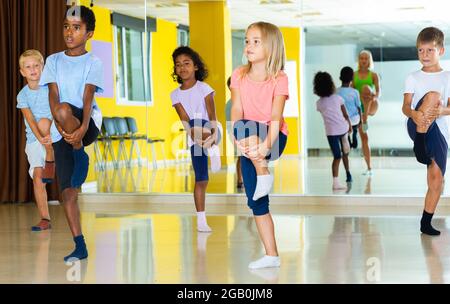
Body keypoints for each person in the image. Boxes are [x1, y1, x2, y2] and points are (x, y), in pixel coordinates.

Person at [40, 5, 104, 261]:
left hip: (87, 123)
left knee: (66, 108)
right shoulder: (53, 60)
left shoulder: (93, 61)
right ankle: (80, 245)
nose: (69, 32)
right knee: (67, 192)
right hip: (61, 125)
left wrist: (83, 127)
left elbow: (88, 96)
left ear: (88, 34)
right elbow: (52, 93)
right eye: (66, 26)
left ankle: (81, 153)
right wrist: (58, 120)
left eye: (76, 28)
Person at [230, 21, 288, 269]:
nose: (249, 45)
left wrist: (264, 148)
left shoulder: (279, 78)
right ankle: (271, 255)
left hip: (273, 139)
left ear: (271, 46)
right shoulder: (238, 75)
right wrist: (236, 139)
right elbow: (235, 110)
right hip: (247, 141)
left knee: (247, 125)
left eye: (256, 41)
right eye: (246, 40)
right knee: (256, 200)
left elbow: (275, 118)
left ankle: (264, 170)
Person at [402, 27, 450, 236]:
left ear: (441, 51)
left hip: (440, 130)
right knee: (432, 95)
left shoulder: (448, 76)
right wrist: (414, 115)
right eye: (421, 50)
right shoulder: (413, 77)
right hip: (418, 124)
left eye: (430, 50)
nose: (425, 55)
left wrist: (442, 111)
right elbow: (405, 107)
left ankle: (425, 222)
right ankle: (419, 145)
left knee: (437, 180)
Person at [170, 46, 222, 233]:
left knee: (198, 120)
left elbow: (212, 114)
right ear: (175, 69)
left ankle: (213, 148)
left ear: (196, 67)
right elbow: (184, 120)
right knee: (201, 179)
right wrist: (193, 135)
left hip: (213, 129)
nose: (182, 68)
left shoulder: (204, 88)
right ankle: (201, 220)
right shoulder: (175, 95)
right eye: (178, 65)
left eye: (187, 63)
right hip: (194, 134)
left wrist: (214, 135)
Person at [17, 49, 58, 231]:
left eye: (36, 66)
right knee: (38, 177)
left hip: (54, 132)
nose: (33, 70)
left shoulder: (50, 87)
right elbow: (30, 121)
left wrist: (49, 138)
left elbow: (58, 111)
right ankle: (45, 218)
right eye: (28, 67)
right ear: (22, 72)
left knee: (43, 122)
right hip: (35, 139)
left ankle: (50, 156)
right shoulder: (22, 95)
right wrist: (41, 139)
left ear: (43, 67)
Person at [314, 71, 353, 189]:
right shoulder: (338, 98)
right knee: (344, 152)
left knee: (337, 156)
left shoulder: (319, 103)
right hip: (342, 128)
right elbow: (345, 115)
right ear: (331, 84)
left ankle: (335, 182)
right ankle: (345, 139)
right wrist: (350, 126)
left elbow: (324, 111)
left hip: (331, 133)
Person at [353, 50, 381, 175]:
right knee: (365, 138)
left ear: (369, 60)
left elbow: (379, 92)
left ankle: (365, 119)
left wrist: (373, 96)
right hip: (359, 109)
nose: (363, 60)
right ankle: (369, 167)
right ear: (359, 60)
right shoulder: (354, 75)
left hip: (371, 105)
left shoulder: (373, 75)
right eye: (361, 58)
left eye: (366, 58)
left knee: (365, 88)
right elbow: (352, 93)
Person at [225, 76, 243, 189]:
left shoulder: (240, 100)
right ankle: (240, 180)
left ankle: (241, 180)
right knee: (242, 157)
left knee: (242, 157)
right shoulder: (231, 103)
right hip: (237, 133)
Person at [337, 66, 362, 149]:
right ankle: (355, 132)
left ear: (340, 77)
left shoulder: (336, 92)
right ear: (352, 78)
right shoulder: (355, 92)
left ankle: (347, 136)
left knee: (345, 133)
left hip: (343, 121)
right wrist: (361, 120)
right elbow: (359, 107)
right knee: (355, 126)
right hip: (355, 120)